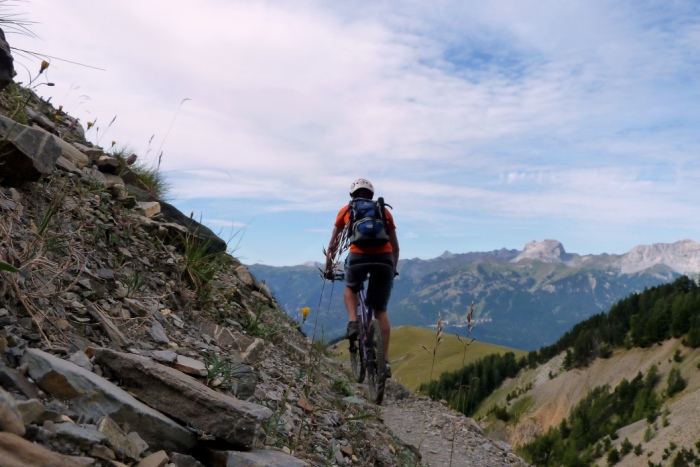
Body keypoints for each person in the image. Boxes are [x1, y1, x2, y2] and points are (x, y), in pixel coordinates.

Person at [324, 178, 400, 376]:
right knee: (380, 311)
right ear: (371, 195)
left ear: (352, 195)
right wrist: (393, 268)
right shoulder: (384, 211)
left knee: (350, 288)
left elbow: (332, 245)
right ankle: (384, 362)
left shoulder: (346, 210)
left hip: (358, 256)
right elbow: (396, 247)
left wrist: (328, 268)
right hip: (384, 259)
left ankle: (353, 322)